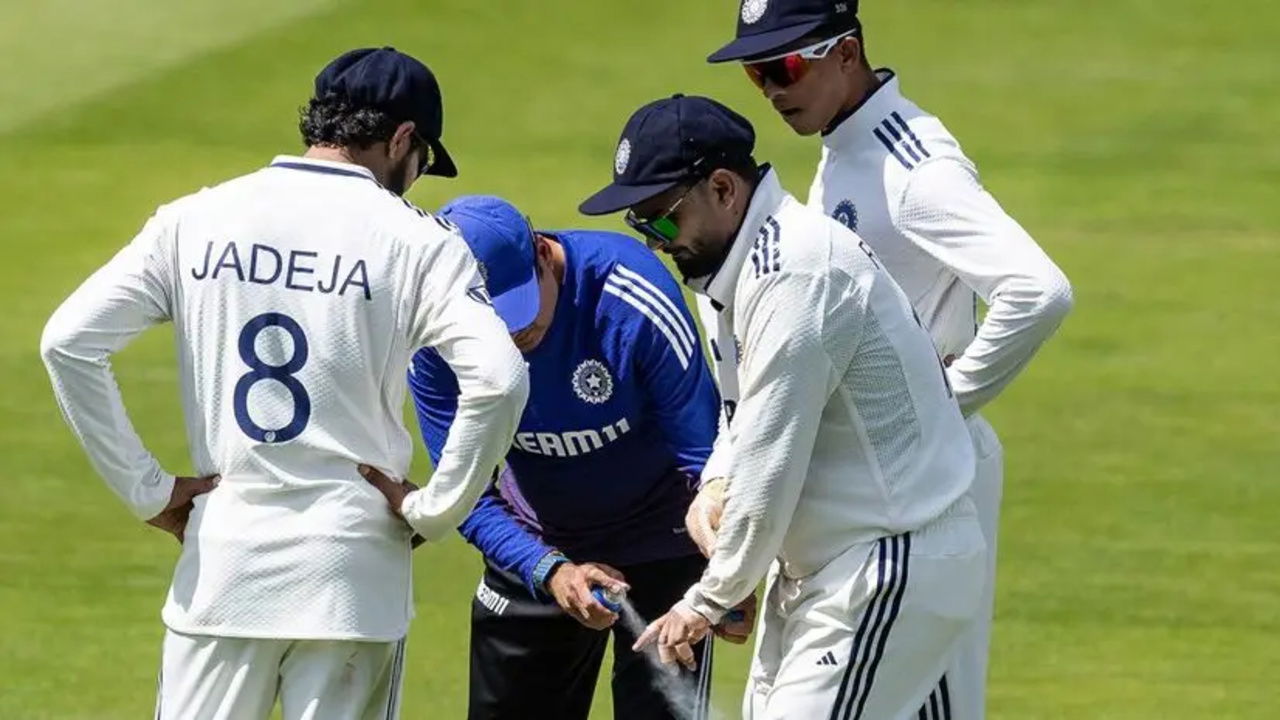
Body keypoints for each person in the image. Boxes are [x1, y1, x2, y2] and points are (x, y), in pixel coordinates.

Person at [39, 47, 528, 720]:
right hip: (352, 577)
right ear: (403, 139)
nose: (415, 181)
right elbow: (500, 381)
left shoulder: (195, 218)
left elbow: (67, 342)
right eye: (420, 164)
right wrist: (435, 509)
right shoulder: (420, 244)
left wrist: (146, 489)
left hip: (225, 565)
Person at [706, 2, 1075, 716]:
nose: (773, 90)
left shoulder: (914, 171)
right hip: (875, 475)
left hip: (931, 477)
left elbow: (1040, 291)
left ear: (846, 54)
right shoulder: (847, 149)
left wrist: (943, 402)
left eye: (785, 67)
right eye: (757, 74)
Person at [579, 93, 987, 720]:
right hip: (833, 568)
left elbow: (772, 453)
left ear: (721, 188)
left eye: (660, 218)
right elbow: (741, 413)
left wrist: (710, 599)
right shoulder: (731, 271)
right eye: (639, 224)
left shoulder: (796, 274)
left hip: (886, 561)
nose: (655, 241)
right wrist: (715, 484)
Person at [388, 193, 742, 720]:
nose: (514, 335)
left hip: (664, 542)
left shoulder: (630, 294)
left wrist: (729, 576)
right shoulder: (435, 340)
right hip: (535, 543)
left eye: (518, 308)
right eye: (493, 326)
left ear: (541, 252)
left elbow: (707, 457)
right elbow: (464, 495)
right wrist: (550, 570)